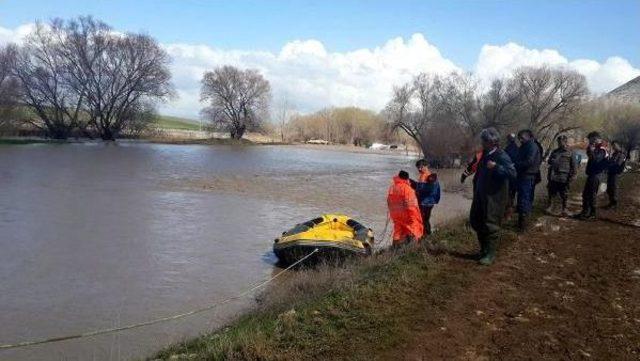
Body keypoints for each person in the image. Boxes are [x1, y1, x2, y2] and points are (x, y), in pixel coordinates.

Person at [469, 128, 517, 266]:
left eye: (484, 140)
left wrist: (496, 167)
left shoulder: (501, 156)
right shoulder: (485, 154)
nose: (482, 143)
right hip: (480, 194)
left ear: (491, 142)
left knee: (491, 225)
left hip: (494, 197)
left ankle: (490, 254)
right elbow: (478, 173)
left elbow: (512, 173)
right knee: (476, 221)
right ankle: (483, 250)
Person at [514, 129, 543, 232]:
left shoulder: (532, 146)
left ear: (528, 136)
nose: (520, 140)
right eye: (519, 138)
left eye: (522, 137)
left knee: (524, 199)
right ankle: (523, 223)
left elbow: (529, 161)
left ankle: (523, 226)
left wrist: (515, 165)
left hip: (527, 176)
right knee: (524, 198)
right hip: (524, 175)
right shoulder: (525, 146)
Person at [576, 131, 608, 220]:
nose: (589, 142)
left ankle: (593, 214)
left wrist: (591, 150)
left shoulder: (602, 149)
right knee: (585, 194)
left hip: (596, 175)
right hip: (592, 174)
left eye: (590, 139)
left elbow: (596, 159)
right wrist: (590, 151)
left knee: (591, 194)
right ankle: (585, 212)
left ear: (595, 139)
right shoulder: (596, 148)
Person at [387, 170, 424, 247]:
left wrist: (392, 213)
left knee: (397, 231)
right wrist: (414, 218)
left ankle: (394, 247)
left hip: (395, 215)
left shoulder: (392, 188)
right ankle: (411, 249)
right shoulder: (408, 189)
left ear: (398, 177)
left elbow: (389, 201)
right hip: (406, 215)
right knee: (412, 230)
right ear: (407, 179)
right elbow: (411, 206)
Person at [546, 135, 577, 216]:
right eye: (558, 142)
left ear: (565, 142)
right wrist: (551, 161)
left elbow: (574, 166)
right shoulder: (555, 151)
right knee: (552, 193)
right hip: (553, 176)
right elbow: (549, 161)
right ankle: (550, 207)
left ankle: (564, 209)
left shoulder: (571, 152)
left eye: (561, 142)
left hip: (564, 177)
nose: (560, 143)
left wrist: (573, 176)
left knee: (564, 194)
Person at [414, 159, 441, 235]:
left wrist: (416, 189)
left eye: (421, 167)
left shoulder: (430, 177)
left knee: (424, 220)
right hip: (425, 201)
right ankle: (425, 235)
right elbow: (422, 188)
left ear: (426, 166)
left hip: (426, 202)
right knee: (424, 219)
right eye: (418, 167)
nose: (419, 169)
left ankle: (426, 236)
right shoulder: (424, 175)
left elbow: (430, 189)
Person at [605, 141, 627, 208]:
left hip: (615, 173)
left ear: (618, 145)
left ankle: (614, 203)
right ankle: (611, 202)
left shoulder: (621, 154)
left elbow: (618, 164)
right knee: (609, 188)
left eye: (615, 145)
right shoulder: (614, 153)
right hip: (611, 172)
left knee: (613, 188)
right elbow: (611, 161)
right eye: (613, 145)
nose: (613, 147)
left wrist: (609, 164)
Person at [504, 133, 519, 219]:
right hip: (515, 175)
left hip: (508, 175)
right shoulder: (518, 149)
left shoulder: (508, 149)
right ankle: (509, 214)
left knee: (508, 194)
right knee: (511, 195)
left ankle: (507, 214)